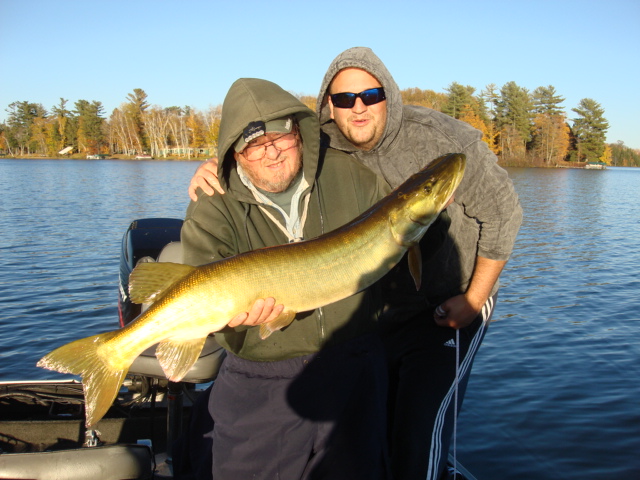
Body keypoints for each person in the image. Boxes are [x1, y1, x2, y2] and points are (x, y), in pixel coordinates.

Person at [189, 48, 523, 480]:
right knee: (381, 425)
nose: (358, 106)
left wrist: (474, 299)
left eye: (371, 94)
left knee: (418, 433)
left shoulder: (444, 140)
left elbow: (504, 215)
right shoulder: (324, 139)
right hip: (381, 311)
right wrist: (222, 163)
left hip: (451, 298)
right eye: (345, 99)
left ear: (390, 95)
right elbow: (261, 141)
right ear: (329, 106)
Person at [178, 77, 392, 480]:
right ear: (235, 153)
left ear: (299, 133)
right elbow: (197, 282)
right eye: (254, 145)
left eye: (280, 138)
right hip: (261, 381)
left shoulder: (353, 176)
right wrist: (233, 321)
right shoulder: (212, 204)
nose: (271, 152)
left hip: (355, 371)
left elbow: (404, 243)